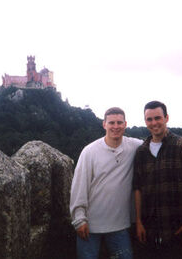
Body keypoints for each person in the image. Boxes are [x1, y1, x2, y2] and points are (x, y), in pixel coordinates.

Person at [133, 101, 182, 259]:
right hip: (150, 233)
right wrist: (138, 222)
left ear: (166, 118)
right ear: (145, 122)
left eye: (158, 118)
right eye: (149, 119)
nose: (154, 123)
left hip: (178, 232)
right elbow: (137, 188)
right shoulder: (141, 152)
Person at [70, 107, 143, 259]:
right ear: (104, 125)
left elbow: (157, 143)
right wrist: (79, 219)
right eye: (111, 123)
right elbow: (79, 186)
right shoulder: (90, 151)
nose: (115, 126)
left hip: (120, 226)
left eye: (119, 123)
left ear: (125, 124)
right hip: (90, 225)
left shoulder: (134, 147)